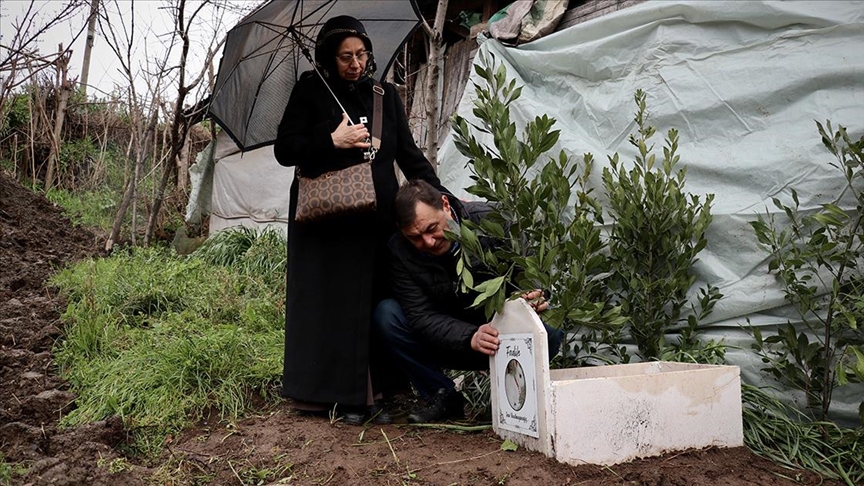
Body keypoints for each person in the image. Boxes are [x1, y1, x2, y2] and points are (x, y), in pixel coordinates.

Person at [273, 16, 444, 425]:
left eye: (361, 54)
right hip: (325, 223)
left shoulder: (384, 95)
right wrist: (331, 140)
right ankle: (333, 394)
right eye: (346, 56)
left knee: (374, 301)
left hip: (376, 219)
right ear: (329, 58)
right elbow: (285, 149)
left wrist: (441, 198)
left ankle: (377, 392)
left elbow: (410, 156)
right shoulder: (310, 90)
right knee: (331, 305)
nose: (355, 63)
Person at [373, 180, 563, 423]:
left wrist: (533, 294)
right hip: (449, 339)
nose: (428, 242)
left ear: (445, 205)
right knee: (387, 315)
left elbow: (532, 270)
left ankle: (514, 399)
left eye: (432, 228)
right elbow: (421, 316)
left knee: (551, 330)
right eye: (416, 237)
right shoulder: (399, 251)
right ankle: (443, 396)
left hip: (500, 334)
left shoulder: (490, 219)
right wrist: (470, 336)